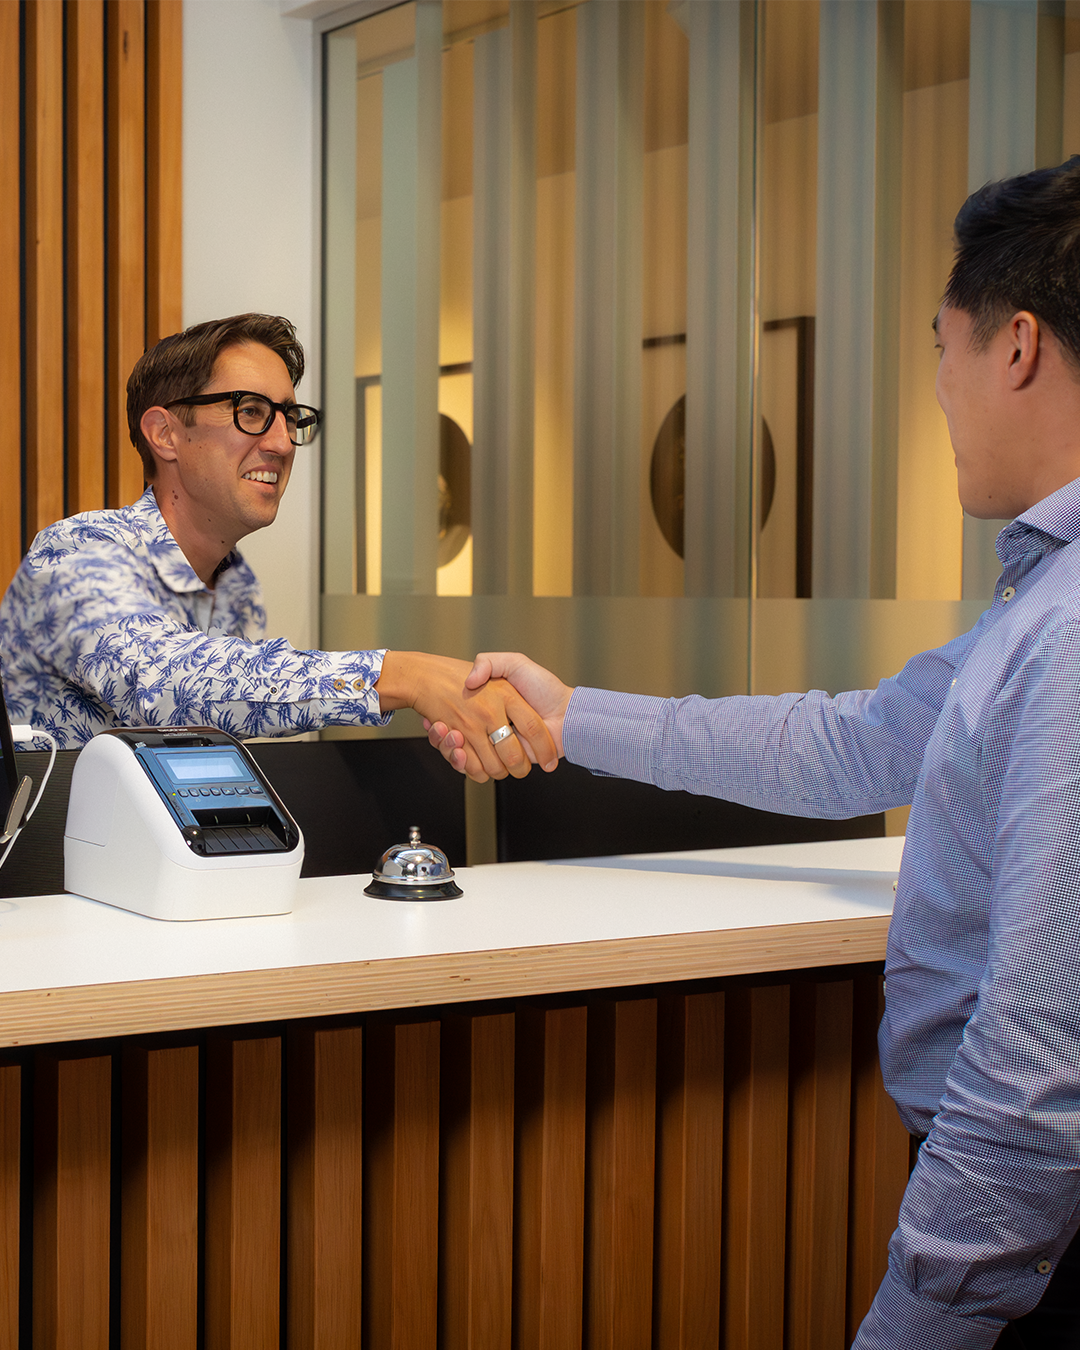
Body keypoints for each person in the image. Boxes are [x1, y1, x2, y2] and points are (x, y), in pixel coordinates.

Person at [427, 157, 1080, 1348]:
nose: (939, 388)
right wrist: (574, 715)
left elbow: (1036, 1072)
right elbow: (852, 744)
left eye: (943, 348)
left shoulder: (1071, 632)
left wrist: (917, 1322)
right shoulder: (1041, 606)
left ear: (1019, 346)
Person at [0, 313, 555, 777]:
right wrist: (403, 676)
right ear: (166, 434)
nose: (283, 442)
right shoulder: (74, 553)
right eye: (251, 412)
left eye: (289, 417)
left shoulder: (231, 589)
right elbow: (167, 686)